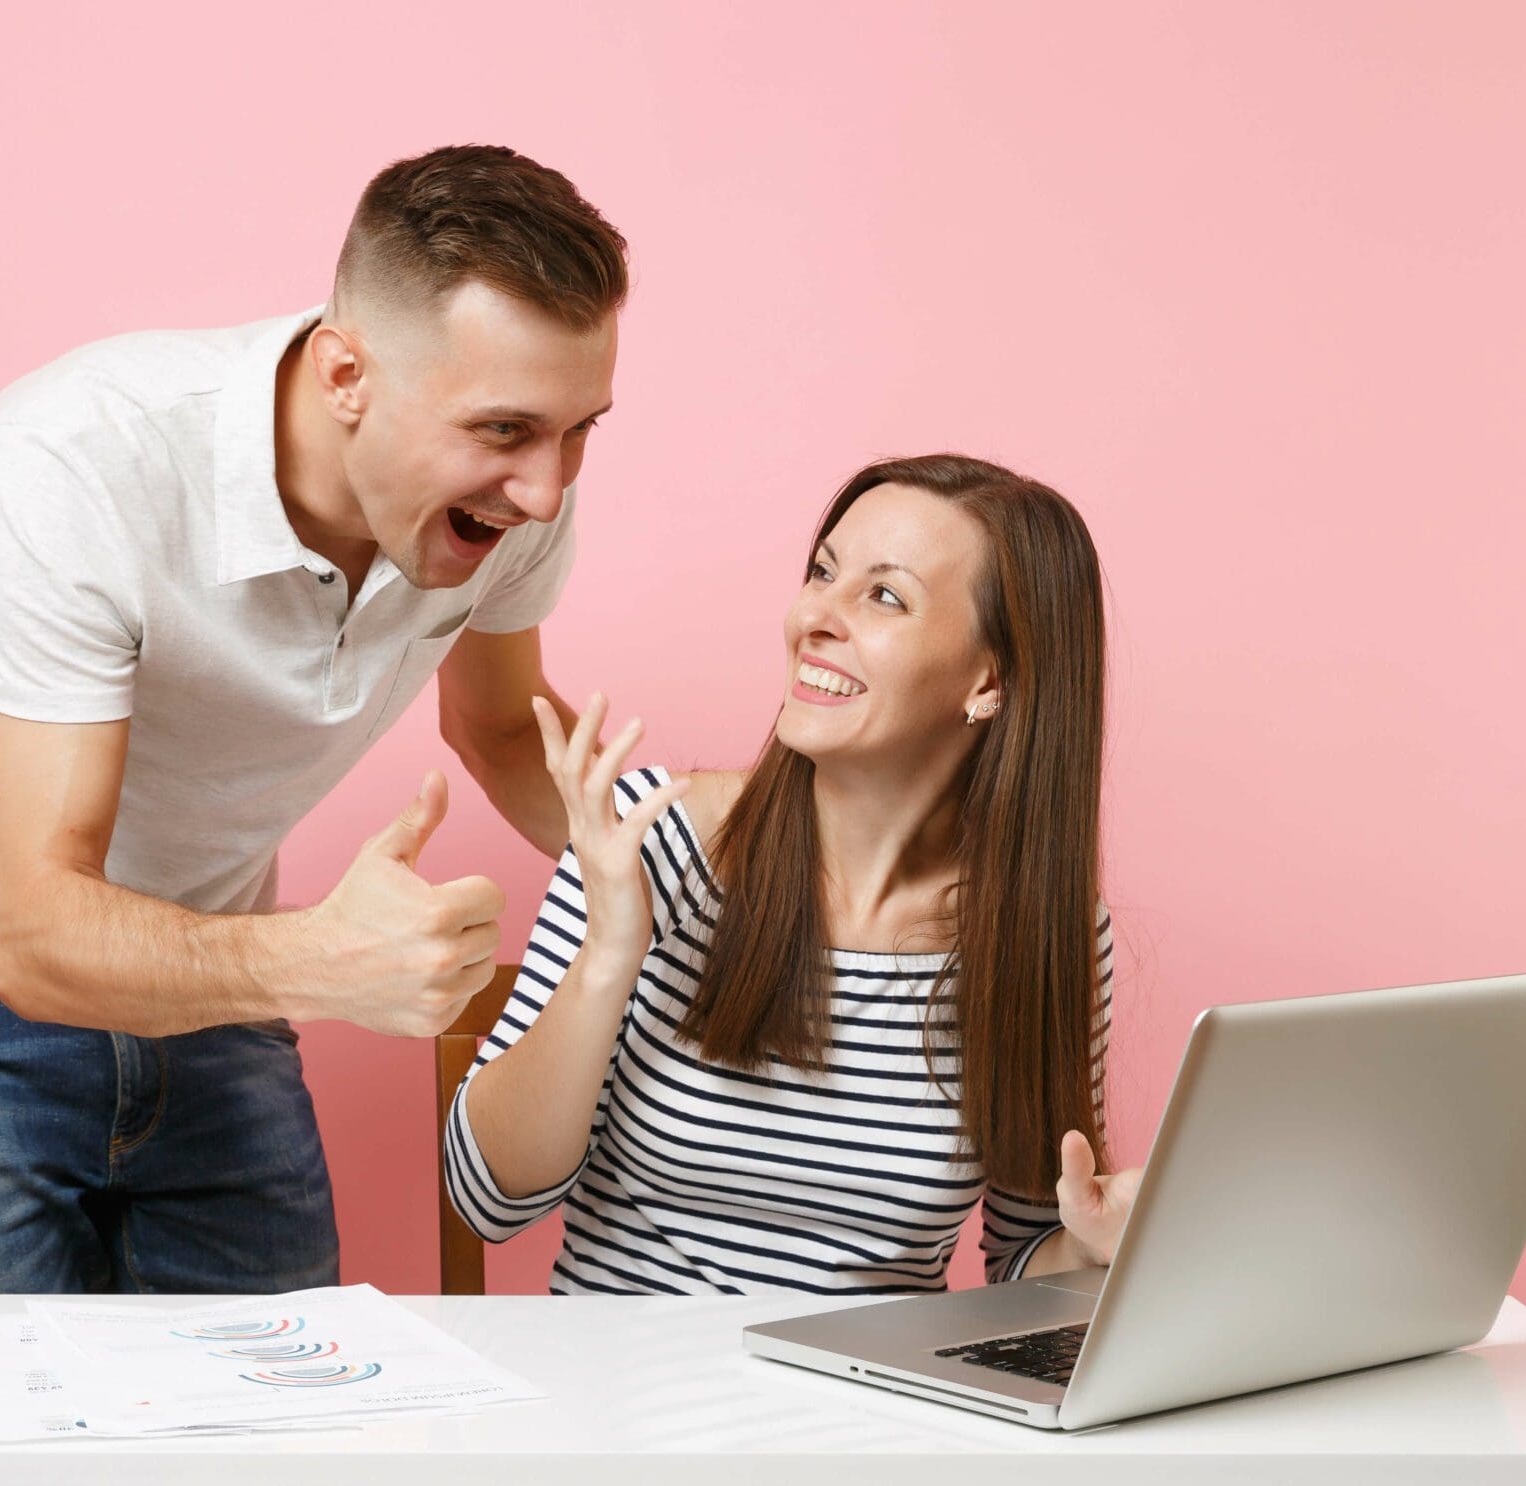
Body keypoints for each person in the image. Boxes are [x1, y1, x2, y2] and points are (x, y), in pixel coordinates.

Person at [0, 145, 627, 1293]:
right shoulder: (74, 464)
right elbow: (32, 929)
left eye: (579, 427)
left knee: (283, 1439)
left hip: (213, 968)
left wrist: (689, 859)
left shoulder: (514, 501)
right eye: (502, 432)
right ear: (346, 376)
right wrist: (318, 962)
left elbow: (498, 729)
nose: (546, 488)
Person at [445, 454, 1139, 1293]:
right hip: (622, 1404)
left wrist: (1100, 1243)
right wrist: (607, 955)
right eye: (823, 572)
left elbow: (1025, 1261)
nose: (816, 614)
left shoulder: (1043, 931)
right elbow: (488, 1197)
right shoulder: (655, 839)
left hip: (870, 1410)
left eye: (884, 595)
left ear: (988, 678)